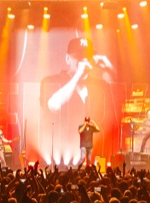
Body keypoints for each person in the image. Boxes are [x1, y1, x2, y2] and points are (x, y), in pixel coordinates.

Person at [41, 36, 115, 165]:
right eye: (79, 57)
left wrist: (109, 68)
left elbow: (115, 112)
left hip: (93, 156)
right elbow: (53, 106)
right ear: (67, 59)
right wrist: (78, 75)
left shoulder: (100, 86)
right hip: (59, 158)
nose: (84, 61)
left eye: (88, 57)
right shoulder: (51, 81)